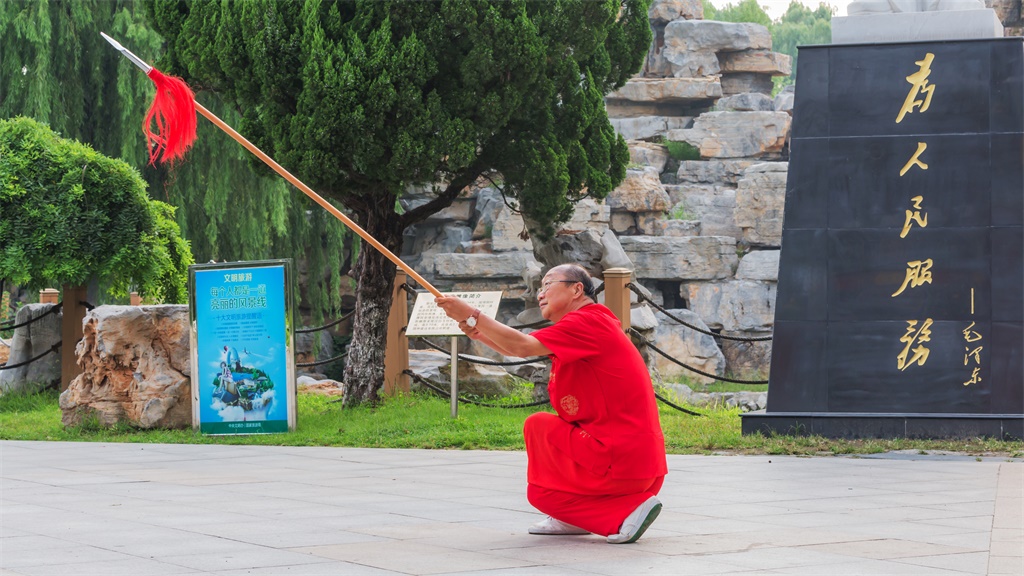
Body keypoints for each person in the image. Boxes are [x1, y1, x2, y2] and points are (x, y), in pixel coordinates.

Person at [435, 264, 668, 544]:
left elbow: (522, 346)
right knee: (544, 494)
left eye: (547, 285)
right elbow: (519, 348)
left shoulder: (588, 322)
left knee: (539, 431)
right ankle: (582, 516)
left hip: (619, 461)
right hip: (636, 465)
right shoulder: (589, 324)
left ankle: (624, 512)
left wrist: (472, 315)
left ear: (577, 289)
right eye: (539, 288)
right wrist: (478, 330)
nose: (540, 294)